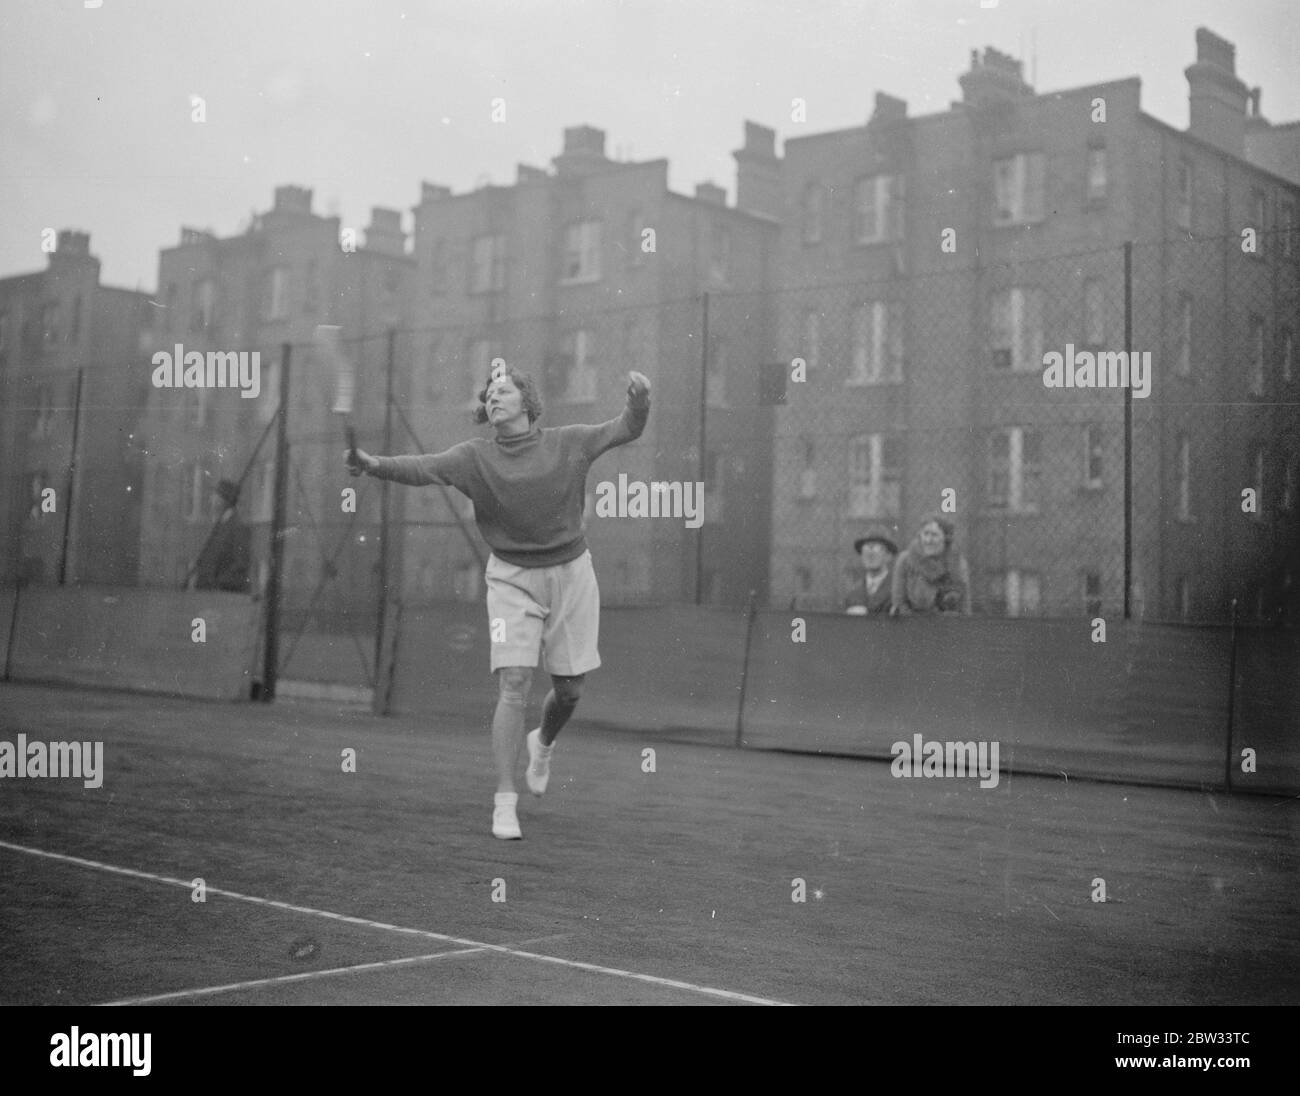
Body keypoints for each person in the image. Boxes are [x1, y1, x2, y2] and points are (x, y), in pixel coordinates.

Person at [347, 363, 652, 840]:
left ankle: (543, 742)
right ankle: (505, 802)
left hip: (572, 574)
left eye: (504, 390)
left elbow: (627, 427)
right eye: (489, 393)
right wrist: (373, 465)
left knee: (570, 690)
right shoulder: (473, 458)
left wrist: (639, 399)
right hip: (510, 579)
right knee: (514, 682)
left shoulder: (568, 441)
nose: (493, 397)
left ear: (527, 403)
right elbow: (422, 468)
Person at [891, 513, 971, 615]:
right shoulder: (905, 560)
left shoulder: (957, 562)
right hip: (912, 623)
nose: (928, 540)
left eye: (934, 535)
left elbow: (964, 605)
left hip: (946, 625)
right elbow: (899, 603)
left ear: (946, 538)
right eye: (925, 534)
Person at [190, 479, 251, 592]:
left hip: (223, 598)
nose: (210, 499)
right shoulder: (221, 524)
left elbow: (240, 565)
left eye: (214, 495)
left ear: (222, 500)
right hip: (208, 596)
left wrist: (215, 584)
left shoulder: (238, 527)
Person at [844, 525, 897, 615]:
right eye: (866, 549)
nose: (870, 554)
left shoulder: (898, 590)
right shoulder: (853, 594)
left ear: (888, 556)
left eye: (877, 548)